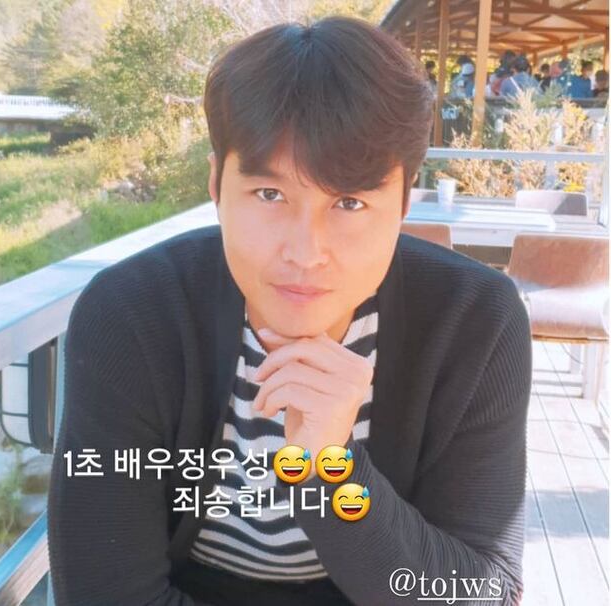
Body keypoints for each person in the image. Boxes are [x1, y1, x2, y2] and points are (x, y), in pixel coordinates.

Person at [47, 15, 532, 606]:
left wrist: (331, 469)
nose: (305, 253)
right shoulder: (132, 314)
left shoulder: (474, 322)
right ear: (216, 186)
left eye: (349, 202)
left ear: (404, 201)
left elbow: (481, 590)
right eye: (270, 194)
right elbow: (105, 589)